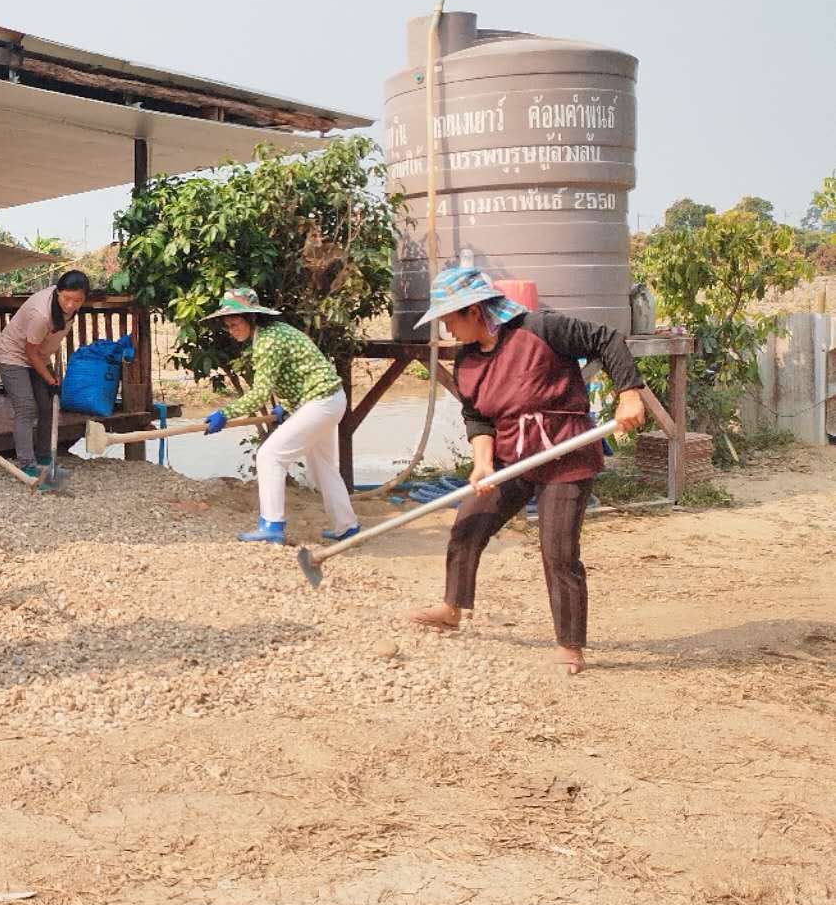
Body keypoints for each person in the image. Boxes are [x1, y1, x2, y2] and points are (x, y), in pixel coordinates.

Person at [405, 265, 648, 675]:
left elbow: (606, 339)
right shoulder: (467, 360)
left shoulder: (540, 329)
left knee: (558, 550)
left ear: (474, 311)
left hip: (565, 457)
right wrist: (483, 463)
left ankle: (570, 645)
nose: (446, 329)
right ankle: (452, 607)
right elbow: (477, 417)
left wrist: (629, 394)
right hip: (512, 459)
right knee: (468, 523)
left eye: (449, 319)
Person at [201, 287, 358, 546]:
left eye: (235, 323)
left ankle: (271, 526)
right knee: (323, 468)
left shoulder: (268, 340)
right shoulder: (274, 333)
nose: (231, 330)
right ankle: (347, 526)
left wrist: (225, 413)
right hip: (327, 400)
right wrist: (286, 407)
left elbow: (261, 393)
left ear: (252, 318)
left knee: (269, 456)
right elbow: (299, 372)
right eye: (227, 325)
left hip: (319, 403)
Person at [0, 270, 90, 476]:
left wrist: (51, 375)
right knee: (26, 408)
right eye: (66, 298)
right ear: (58, 292)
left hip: (39, 356)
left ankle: (45, 458)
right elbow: (30, 352)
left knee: (47, 407)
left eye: (77, 300)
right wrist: (49, 378)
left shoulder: (69, 310)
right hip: (13, 355)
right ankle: (28, 465)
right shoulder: (41, 314)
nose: (70, 305)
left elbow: (46, 345)